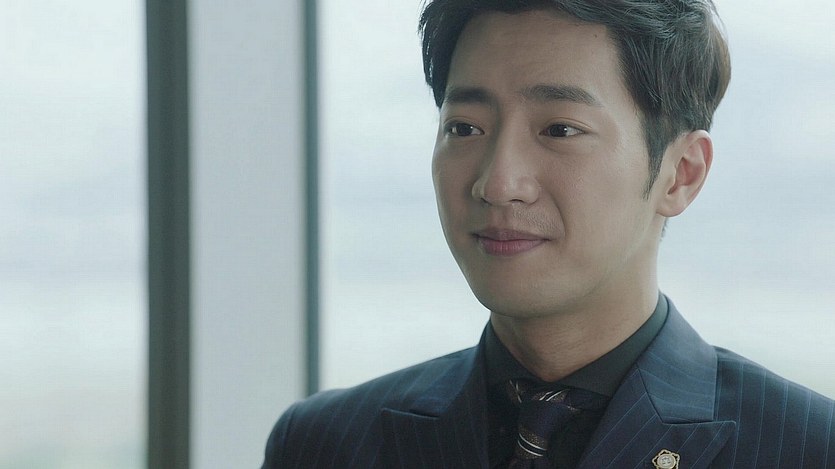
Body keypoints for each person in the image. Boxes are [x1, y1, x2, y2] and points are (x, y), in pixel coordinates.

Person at [262, 1, 835, 467]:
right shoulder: (325, 444)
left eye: (560, 129)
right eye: (464, 128)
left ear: (681, 173)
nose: (497, 183)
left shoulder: (808, 447)